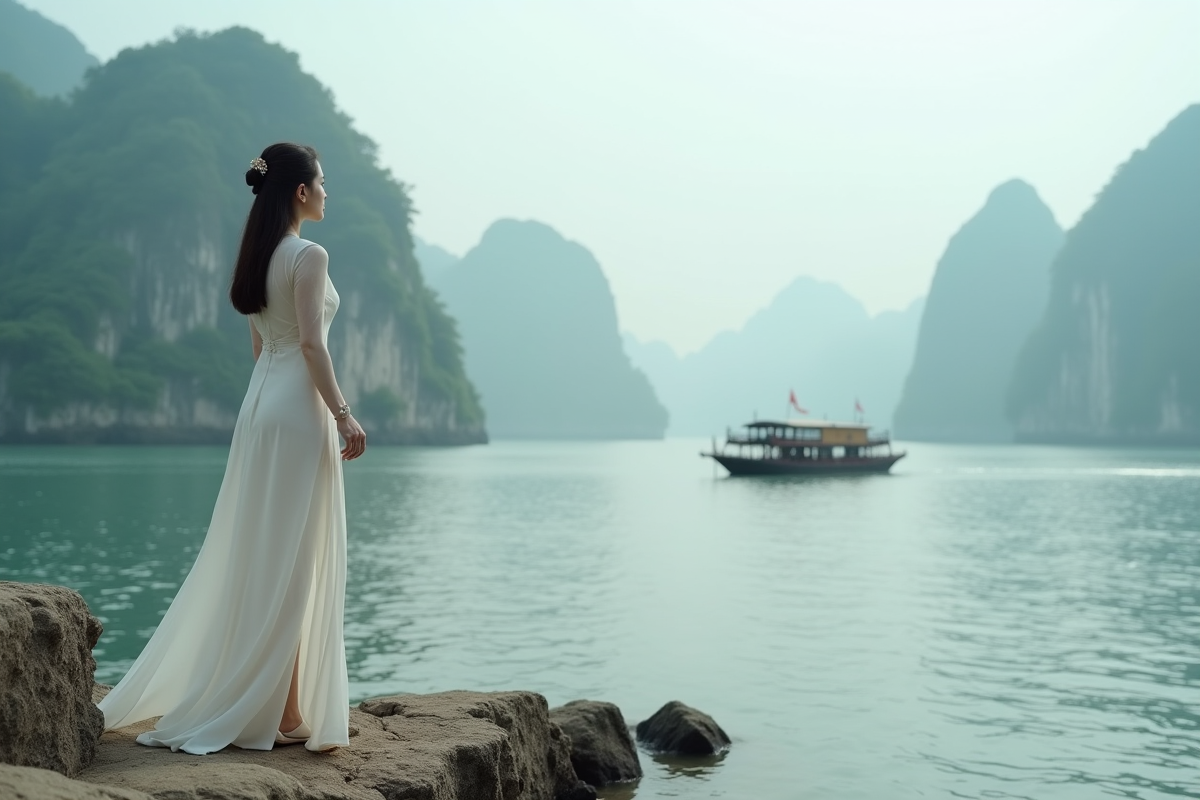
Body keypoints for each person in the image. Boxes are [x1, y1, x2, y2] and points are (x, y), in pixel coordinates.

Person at [97, 142, 367, 754]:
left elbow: (263, 347)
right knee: (296, 559)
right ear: (300, 192)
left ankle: (284, 707)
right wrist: (344, 415)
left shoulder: (257, 256)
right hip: (298, 410)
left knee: (265, 555)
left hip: (259, 407)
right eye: (322, 182)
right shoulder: (309, 255)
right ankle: (278, 709)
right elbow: (312, 347)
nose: (327, 191)